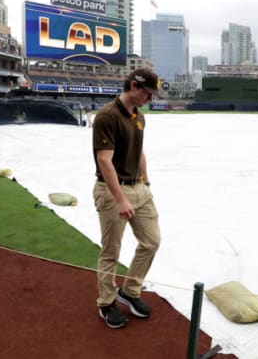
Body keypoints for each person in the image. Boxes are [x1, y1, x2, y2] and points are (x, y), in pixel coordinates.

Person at [92, 68, 162, 329]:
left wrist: (146, 180)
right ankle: (106, 302)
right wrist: (121, 198)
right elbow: (104, 160)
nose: (150, 98)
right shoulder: (107, 116)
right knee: (111, 250)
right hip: (112, 191)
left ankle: (130, 291)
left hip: (139, 188)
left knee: (152, 241)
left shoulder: (139, 116)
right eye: (147, 93)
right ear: (134, 86)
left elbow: (139, 151)